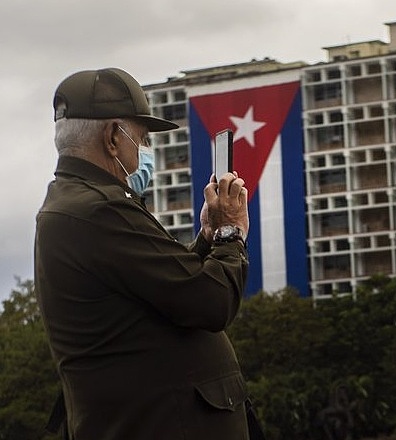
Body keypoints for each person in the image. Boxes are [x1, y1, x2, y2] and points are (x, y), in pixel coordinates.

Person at [35, 68, 253, 440]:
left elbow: (164, 288)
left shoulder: (74, 202)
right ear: (112, 138)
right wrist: (231, 232)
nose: (145, 151)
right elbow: (211, 302)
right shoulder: (102, 209)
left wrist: (206, 239)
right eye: (142, 138)